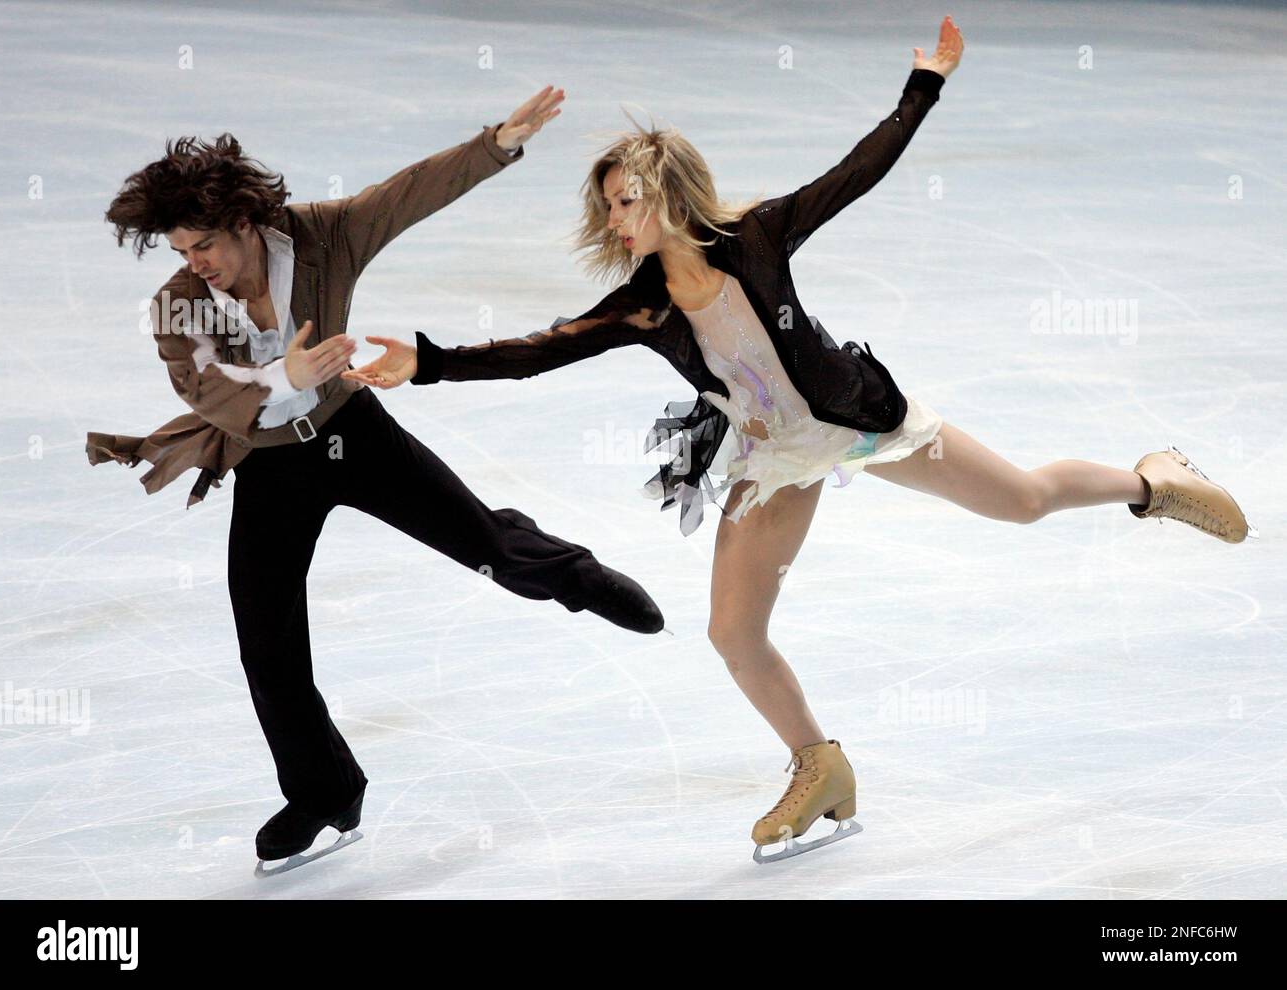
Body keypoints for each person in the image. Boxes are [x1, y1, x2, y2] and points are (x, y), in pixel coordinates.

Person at [344, 17, 1253, 861]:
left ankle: (1152, 480)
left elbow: (857, 171)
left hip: (859, 421)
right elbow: (541, 353)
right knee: (734, 632)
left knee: (1021, 501)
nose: (616, 221)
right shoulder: (641, 302)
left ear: (666, 192)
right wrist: (425, 362)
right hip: (775, 453)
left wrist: (922, 84)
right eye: (610, 208)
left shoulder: (759, 236)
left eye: (627, 201)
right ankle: (820, 766)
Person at [87, 86, 667, 871]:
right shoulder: (181, 305)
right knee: (267, 640)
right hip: (270, 463)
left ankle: (578, 577)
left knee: (482, 540)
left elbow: (407, 194)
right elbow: (204, 393)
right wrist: (279, 375)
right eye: (183, 253)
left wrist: (495, 144)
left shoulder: (324, 236)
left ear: (245, 224)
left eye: (205, 248)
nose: (197, 267)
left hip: (350, 433)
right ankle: (325, 794)